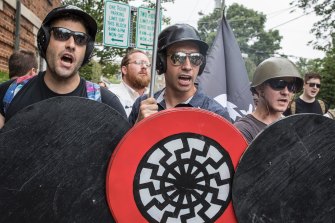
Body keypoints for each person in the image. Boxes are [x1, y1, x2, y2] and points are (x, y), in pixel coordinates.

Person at [0, 5, 126, 128]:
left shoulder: (107, 104)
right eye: (61, 34)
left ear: (87, 51)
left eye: (80, 39)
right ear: (45, 40)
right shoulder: (9, 94)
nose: (71, 44)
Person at [128, 23, 231, 126]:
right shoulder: (143, 105)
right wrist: (139, 126)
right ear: (161, 63)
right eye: (178, 57)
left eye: (195, 58)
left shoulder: (216, 115)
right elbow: (126, 142)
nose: (187, 66)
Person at [234, 57, 303, 144]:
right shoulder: (243, 130)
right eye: (279, 84)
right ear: (260, 88)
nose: (286, 92)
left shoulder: (292, 125)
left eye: (292, 86)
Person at [109, 49, 151, 116]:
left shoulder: (155, 97)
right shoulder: (111, 97)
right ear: (125, 70)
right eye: (138, 62)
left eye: (147, 64)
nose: (144, 67)